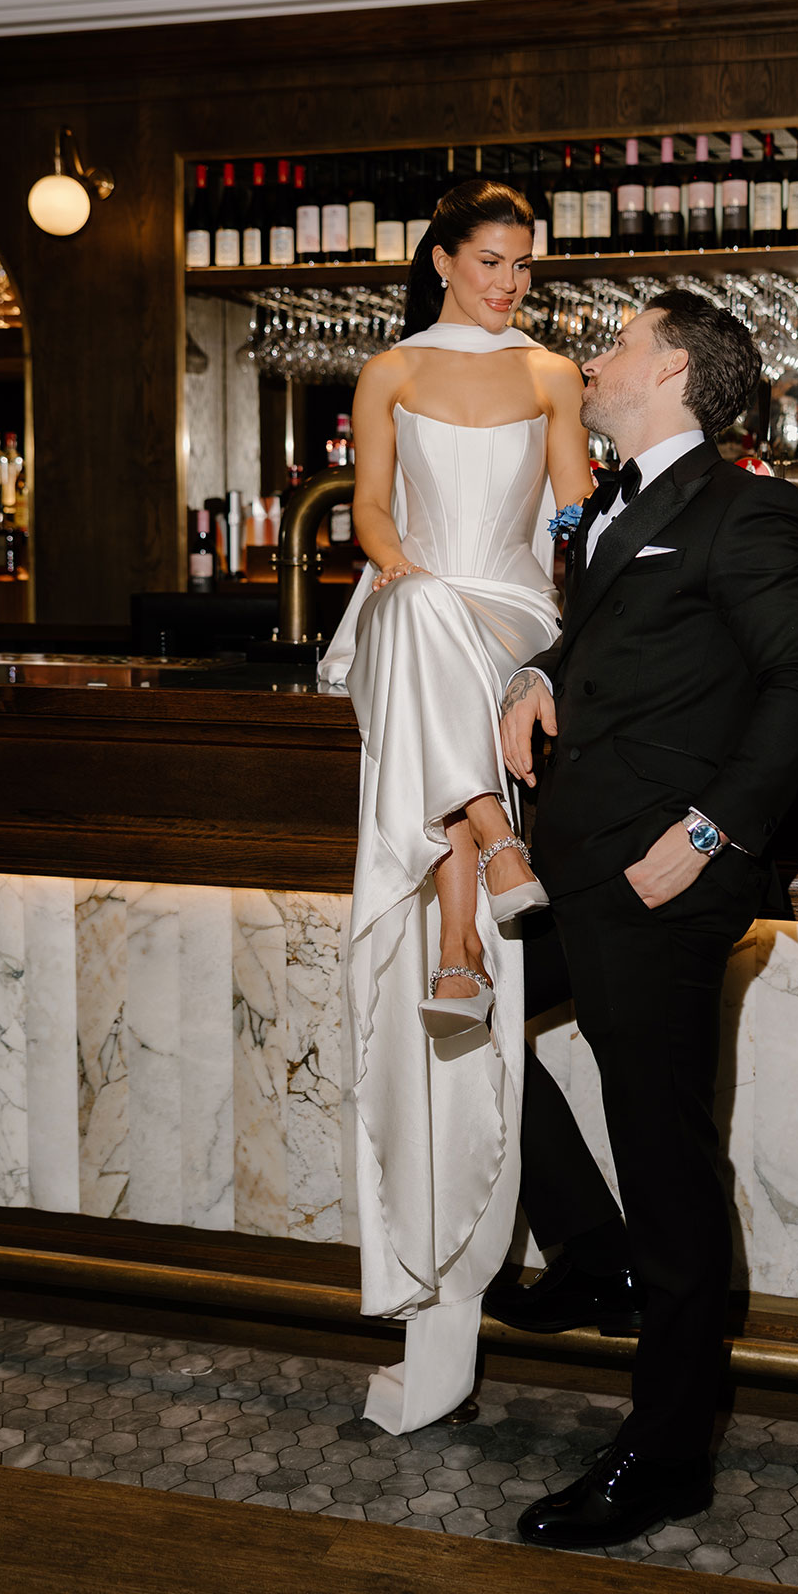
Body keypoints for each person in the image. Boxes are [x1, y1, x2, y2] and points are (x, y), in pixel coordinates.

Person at [495, 288, 798, 1548]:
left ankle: (668, 1449)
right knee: (464, 1017)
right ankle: (594, 1250)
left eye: (619, 344)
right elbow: (603, 643)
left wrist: (710, 836)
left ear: (678, 372)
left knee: (667, 1158)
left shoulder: (746, 507)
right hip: (578, 871)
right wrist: (539, 674)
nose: (593, 357)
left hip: (665, 885)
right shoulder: (614, 506)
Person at [317, 179, 591, 1434]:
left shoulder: (552, 374)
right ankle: (489, 855)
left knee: (439, 635)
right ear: (439, 261)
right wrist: (398, 568)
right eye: (491, 260)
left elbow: (576, 515)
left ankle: (464, 935)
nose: (512, 282)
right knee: (419, 616)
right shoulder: (386, 372)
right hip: (413, 596)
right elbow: (371, 510)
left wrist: (591, 505)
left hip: (511, 614)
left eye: (523, 264)